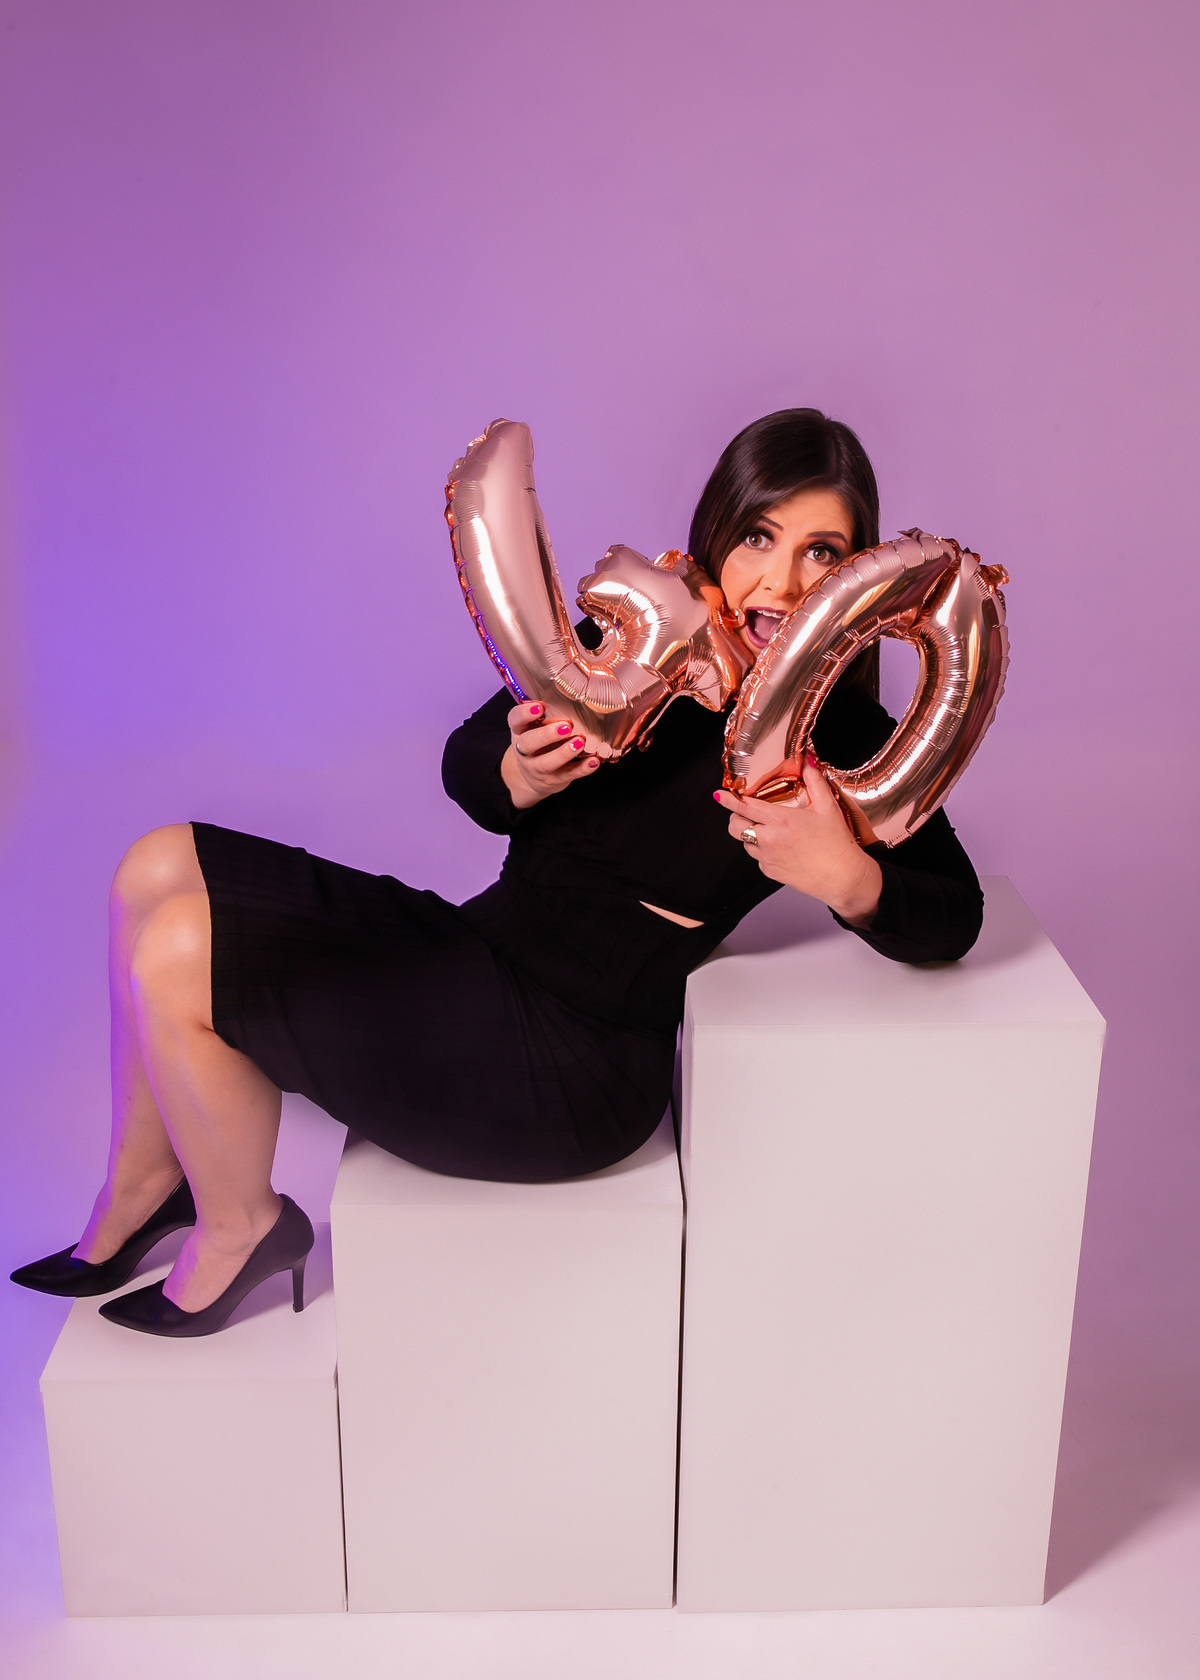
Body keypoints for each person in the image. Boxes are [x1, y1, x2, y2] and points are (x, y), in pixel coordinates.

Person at [11, 409, 984, 1337]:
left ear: (857, 575)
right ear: (718, 532)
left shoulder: (836, 733)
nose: (782, 578)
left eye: (822, 552)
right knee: (154, 863)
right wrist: (519, 771)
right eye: (761, 537)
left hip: (572, 1058)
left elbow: (955, 915)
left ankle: (243, 1228)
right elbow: (468, 759)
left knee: (179, 955)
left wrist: (844, 873)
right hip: (473, 949)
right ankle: (144, 1187)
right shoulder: (646, 638)